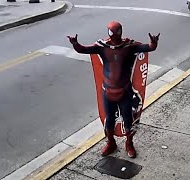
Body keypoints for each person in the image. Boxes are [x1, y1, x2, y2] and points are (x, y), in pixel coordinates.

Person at [67, 21, 159, 158]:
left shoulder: (129, 45)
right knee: (109, 120)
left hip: (124, 91)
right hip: (108, 91)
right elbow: (83, 49)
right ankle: (111, 142)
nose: (114, 35)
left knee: (128, 120)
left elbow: (149, 48)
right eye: (112, 32)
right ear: (108, 32)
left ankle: (129, 143)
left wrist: (153, 43)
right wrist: (75, 43)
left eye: (116, 32)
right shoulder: (102, 46)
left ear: (121, 32)